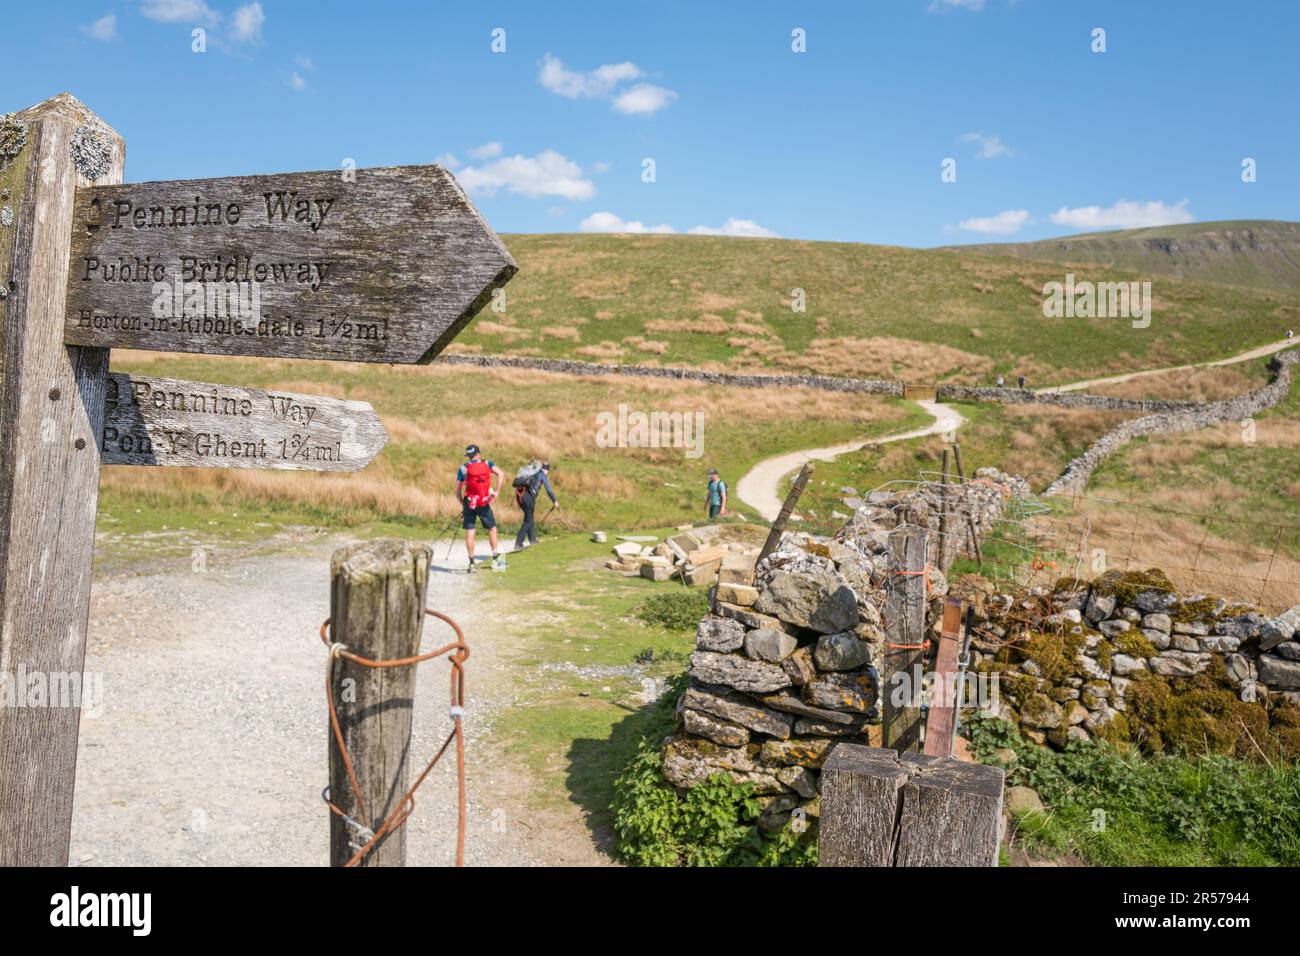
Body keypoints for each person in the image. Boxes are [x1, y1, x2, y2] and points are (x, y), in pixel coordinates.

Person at [455, 444, 505, 572]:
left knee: (470, 532)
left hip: (470, 503)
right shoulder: (488, 463)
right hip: (483, 502)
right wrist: (497, 493)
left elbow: (457, 491)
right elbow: (501, 474)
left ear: (469, 455)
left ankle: (471, 564)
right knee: (492, 529)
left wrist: (463, 503)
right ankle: (496, 560)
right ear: (479, 453)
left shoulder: (463, 468)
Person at [514, 461, 558, 550]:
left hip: (520, 496)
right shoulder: (542, 475)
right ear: (546, 470)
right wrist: (554, 501)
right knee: (528, 521)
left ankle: (533, 541)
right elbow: (548, 490)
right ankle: (518, 544)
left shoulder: (533, 473)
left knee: (530, 518)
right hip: (528, 498)